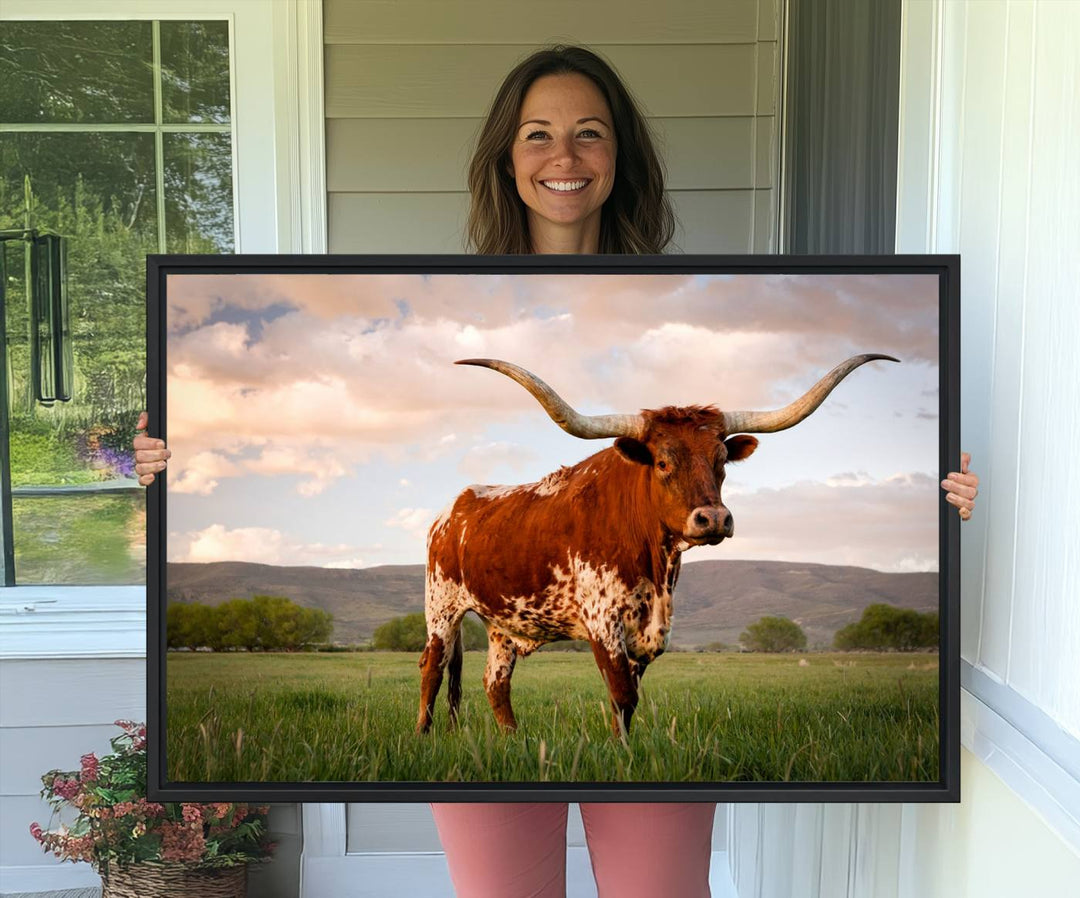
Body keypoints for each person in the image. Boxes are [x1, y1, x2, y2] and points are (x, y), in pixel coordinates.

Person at [134, 45, 979, 898]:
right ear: (507, 156)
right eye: (538, 135)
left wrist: (944, 498)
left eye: (590, 134)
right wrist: (167, 462)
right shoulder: (431, 290)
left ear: (621, 157)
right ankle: (447, 714)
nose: (564, 157)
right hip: (490, 556)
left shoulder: (695, 291)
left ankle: (620, 725)